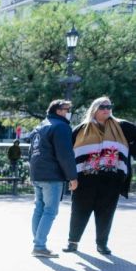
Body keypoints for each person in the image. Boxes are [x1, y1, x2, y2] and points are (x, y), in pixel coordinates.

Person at [63, 97, 136, 255]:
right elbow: (68, 154)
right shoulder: (81, 129)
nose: (106, 109)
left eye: (109, 106)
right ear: (94, 109)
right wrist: (70, 177)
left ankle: (102, 244)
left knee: (106, 213)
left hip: (111, 179)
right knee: (79, 211)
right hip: (85, 179)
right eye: (102, 106)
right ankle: (73, 242)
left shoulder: (122, 126)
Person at [27, 100, 78, 258]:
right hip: (52, 175)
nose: (69, 112)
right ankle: (39, 246)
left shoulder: (40, 126)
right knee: (50, 211)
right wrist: (72, 177)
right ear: (58, 111)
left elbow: (31, 152)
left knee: (39, 209)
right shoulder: (61, 127)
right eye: (66, 109)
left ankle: (38, 243)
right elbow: (65, 154)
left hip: (37, 173)